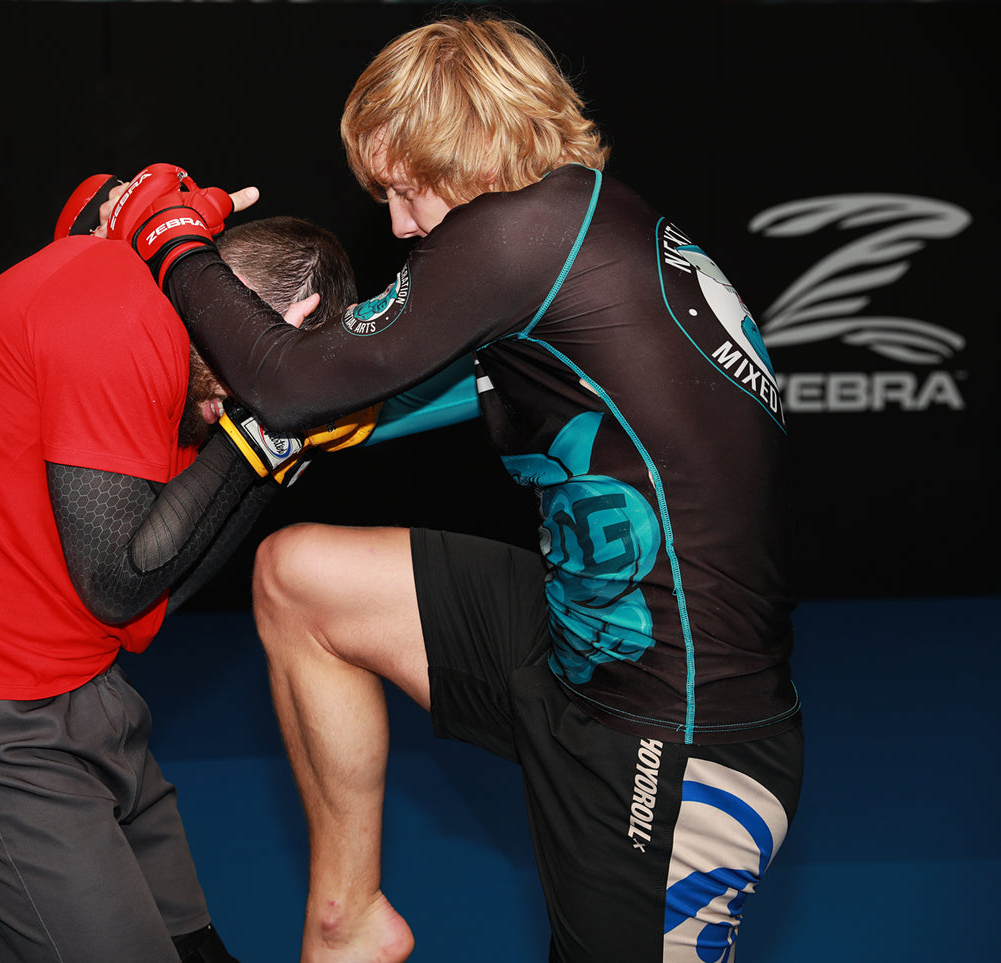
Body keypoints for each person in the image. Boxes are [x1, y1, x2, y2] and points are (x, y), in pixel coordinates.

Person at [102, 13, 804, 963]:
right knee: (301, 578)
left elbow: (294, 384)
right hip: (578, 648)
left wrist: (170, 238)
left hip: (678, 740)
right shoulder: (585, 222)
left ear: (471, 147)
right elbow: (390, 396)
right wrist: (306, 413)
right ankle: (350, 923)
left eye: (405, 188)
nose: (394, 222)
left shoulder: (520, 237)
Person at [0, 176, 362, 963]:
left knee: (197, 950)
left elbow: (156, 597)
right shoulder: (120, 308)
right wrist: (260, 435)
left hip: (86, 695)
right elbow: (116, 583)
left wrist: (276, 452)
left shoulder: (171, 355)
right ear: (266, 317)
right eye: (279, 361)